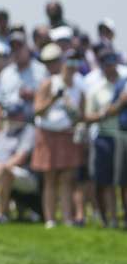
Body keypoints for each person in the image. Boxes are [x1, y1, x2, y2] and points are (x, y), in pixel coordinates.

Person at [31, 44, 85, 228]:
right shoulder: (49, 83)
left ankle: (68, 218)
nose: (71, 66)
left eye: (75, 62)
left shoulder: (79, 84)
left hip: (68, 135)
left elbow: (81, 115)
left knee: (67, 179)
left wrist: (72, 109)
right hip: (48, 134)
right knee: (50, 179)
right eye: (68, 62)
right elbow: (37, 110)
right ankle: (50, 219)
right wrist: (53, 99)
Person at [85, 50, 127, 228]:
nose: (110, 67)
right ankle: (111, 219)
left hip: (124, 137)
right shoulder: (96, 89)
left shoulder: (124, 82)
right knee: (106, 182)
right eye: (106, 64)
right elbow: (87, 116)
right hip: (105, 138)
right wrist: (111, 110)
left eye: (112, 63)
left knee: (123, 182)